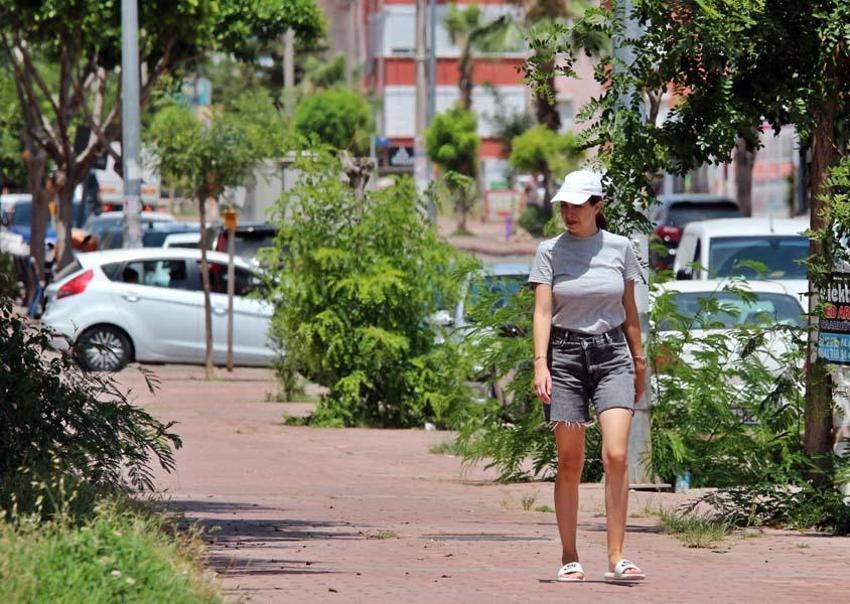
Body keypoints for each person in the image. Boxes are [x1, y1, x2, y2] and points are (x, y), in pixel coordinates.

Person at [527, 169, 647, 583]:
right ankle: (569, 555)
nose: (569, 213)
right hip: (564, 357)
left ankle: (617, 556)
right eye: (564, 205)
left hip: (613, 354)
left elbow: (629, 311)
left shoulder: (620, 248)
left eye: (577, 205)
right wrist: (540, 363)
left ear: (598, 205)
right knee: (570, 461)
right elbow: (542, 311)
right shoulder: (550, 251)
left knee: (615, 455)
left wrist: (640, 361)